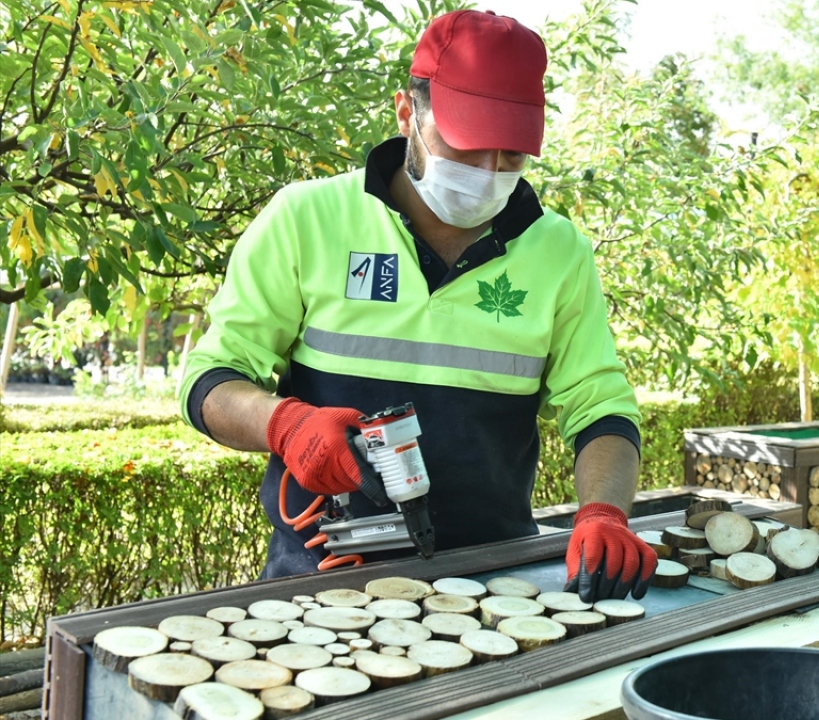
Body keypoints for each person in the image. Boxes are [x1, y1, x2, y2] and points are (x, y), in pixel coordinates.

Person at [179, 9, 656, 601]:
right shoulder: (306, 219)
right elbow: (209, 380)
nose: (488, 173)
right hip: (324, 583)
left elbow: (600, 409)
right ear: (408, 112)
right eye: (469, 146)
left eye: (511, 156)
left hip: (497, 585)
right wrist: (284, 424)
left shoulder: (559, 251)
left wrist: (604, 512)